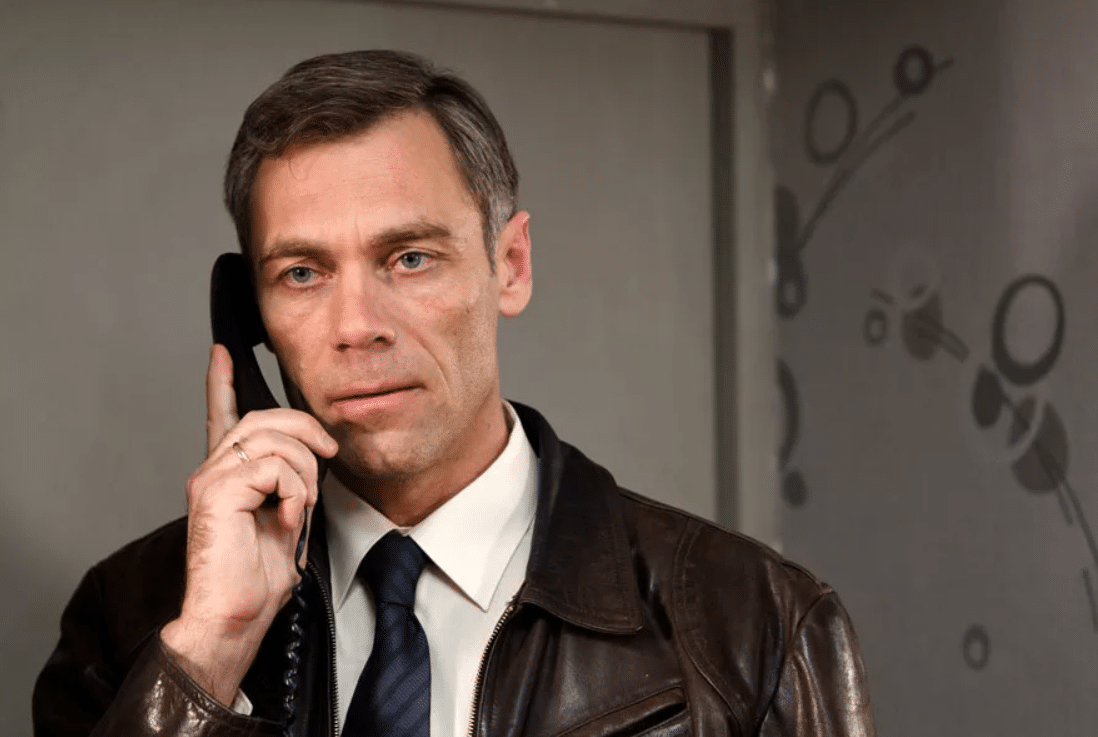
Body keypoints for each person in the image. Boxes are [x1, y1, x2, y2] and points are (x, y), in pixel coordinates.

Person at [33, 50, 876, 737]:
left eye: (410, 258)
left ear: (511, 265)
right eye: (302, 273)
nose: (356, 326)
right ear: (251, 315)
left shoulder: (757, 623)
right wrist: (212, 651)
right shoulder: (130, 619)